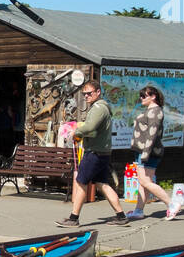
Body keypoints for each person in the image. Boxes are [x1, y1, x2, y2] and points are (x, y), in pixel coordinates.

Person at [58, 81, 128, 227]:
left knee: (81, 182)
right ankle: (121, 216)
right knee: (102, 184)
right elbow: (95, 130)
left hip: (94, 152)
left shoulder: (98, 108)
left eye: (89, 93)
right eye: (84, 94)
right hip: (101, 151)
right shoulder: (101, 108)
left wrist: (75, 132)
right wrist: (81, 132)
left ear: (98, 92)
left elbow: (90, 126)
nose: (86, 96)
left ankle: (73, 218)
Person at [128, 85, 174, 220]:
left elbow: (152, 134)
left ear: (153, 96)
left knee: (145, 181)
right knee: (144, 182)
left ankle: (171, 203)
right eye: (140, 96)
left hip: (147, 152)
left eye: (144, 96)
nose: (141, 98)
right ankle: (138, 210)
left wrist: (145, 154)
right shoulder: (150, 110)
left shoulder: (155, 111)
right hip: (143, 151)